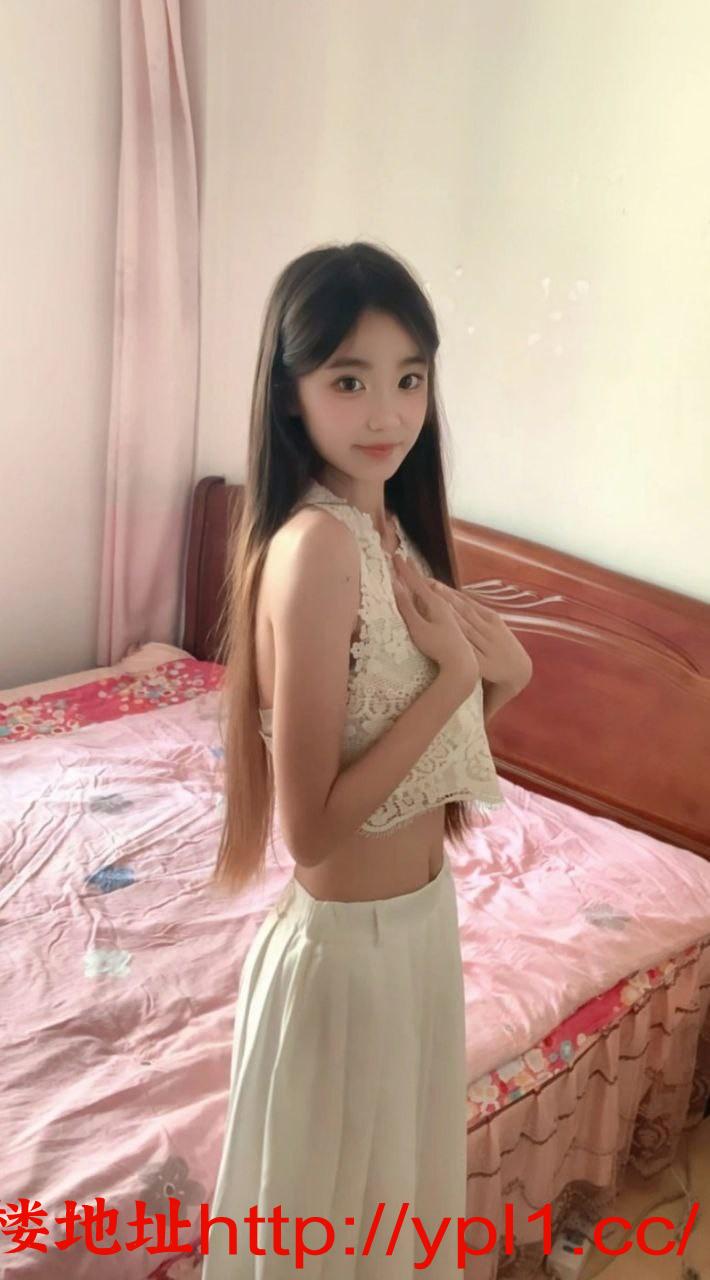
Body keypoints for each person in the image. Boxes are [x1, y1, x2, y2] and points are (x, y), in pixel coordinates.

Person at [201, 241, 528, 1277]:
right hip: (347, 958)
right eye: (349, 380)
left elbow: (429, 756)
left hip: (419, 934)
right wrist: (452, 679)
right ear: (290, 394)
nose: (387, 412)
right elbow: (310, 829)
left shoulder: (394, 534)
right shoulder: (317, 548)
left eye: (408, 378)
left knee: (388, 1231)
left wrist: (500, 679)